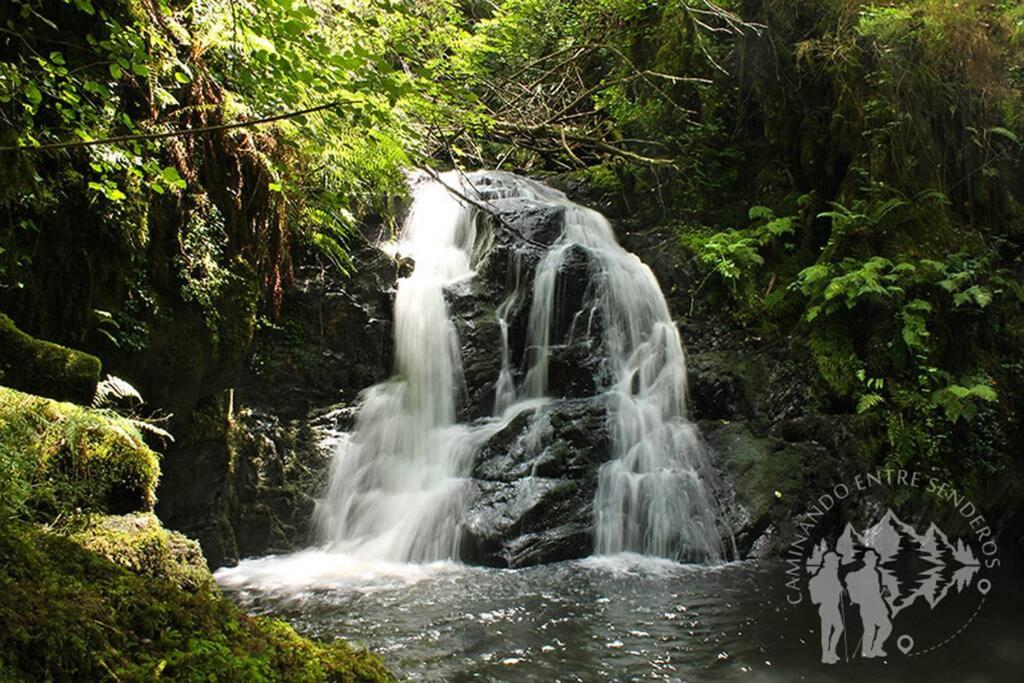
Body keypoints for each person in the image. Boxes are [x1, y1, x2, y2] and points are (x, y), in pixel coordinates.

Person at [845, 549, 893, 658]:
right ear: (867, 561)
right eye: (872, 560)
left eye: (875, 559)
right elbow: (866, 593)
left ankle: (875, 648)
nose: (874, 561)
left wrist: (883, 591)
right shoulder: (864, 574)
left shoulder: (875, 573)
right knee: (870, 629)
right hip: (867, 606)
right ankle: (867, 651)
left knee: (886, 626)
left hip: (875, 605)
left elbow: (875, 592)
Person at [808, 550, 844, 664]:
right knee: (827, 632)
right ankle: (826, 655)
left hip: (834, 607)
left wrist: (840, 589)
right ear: (830, 562)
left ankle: (831, 652)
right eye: (835, 561)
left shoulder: (832, 574)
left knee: (839, 628)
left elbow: (837, 587)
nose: (837, 563)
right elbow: (815, 599)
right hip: (827, 608)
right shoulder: (822, 576)